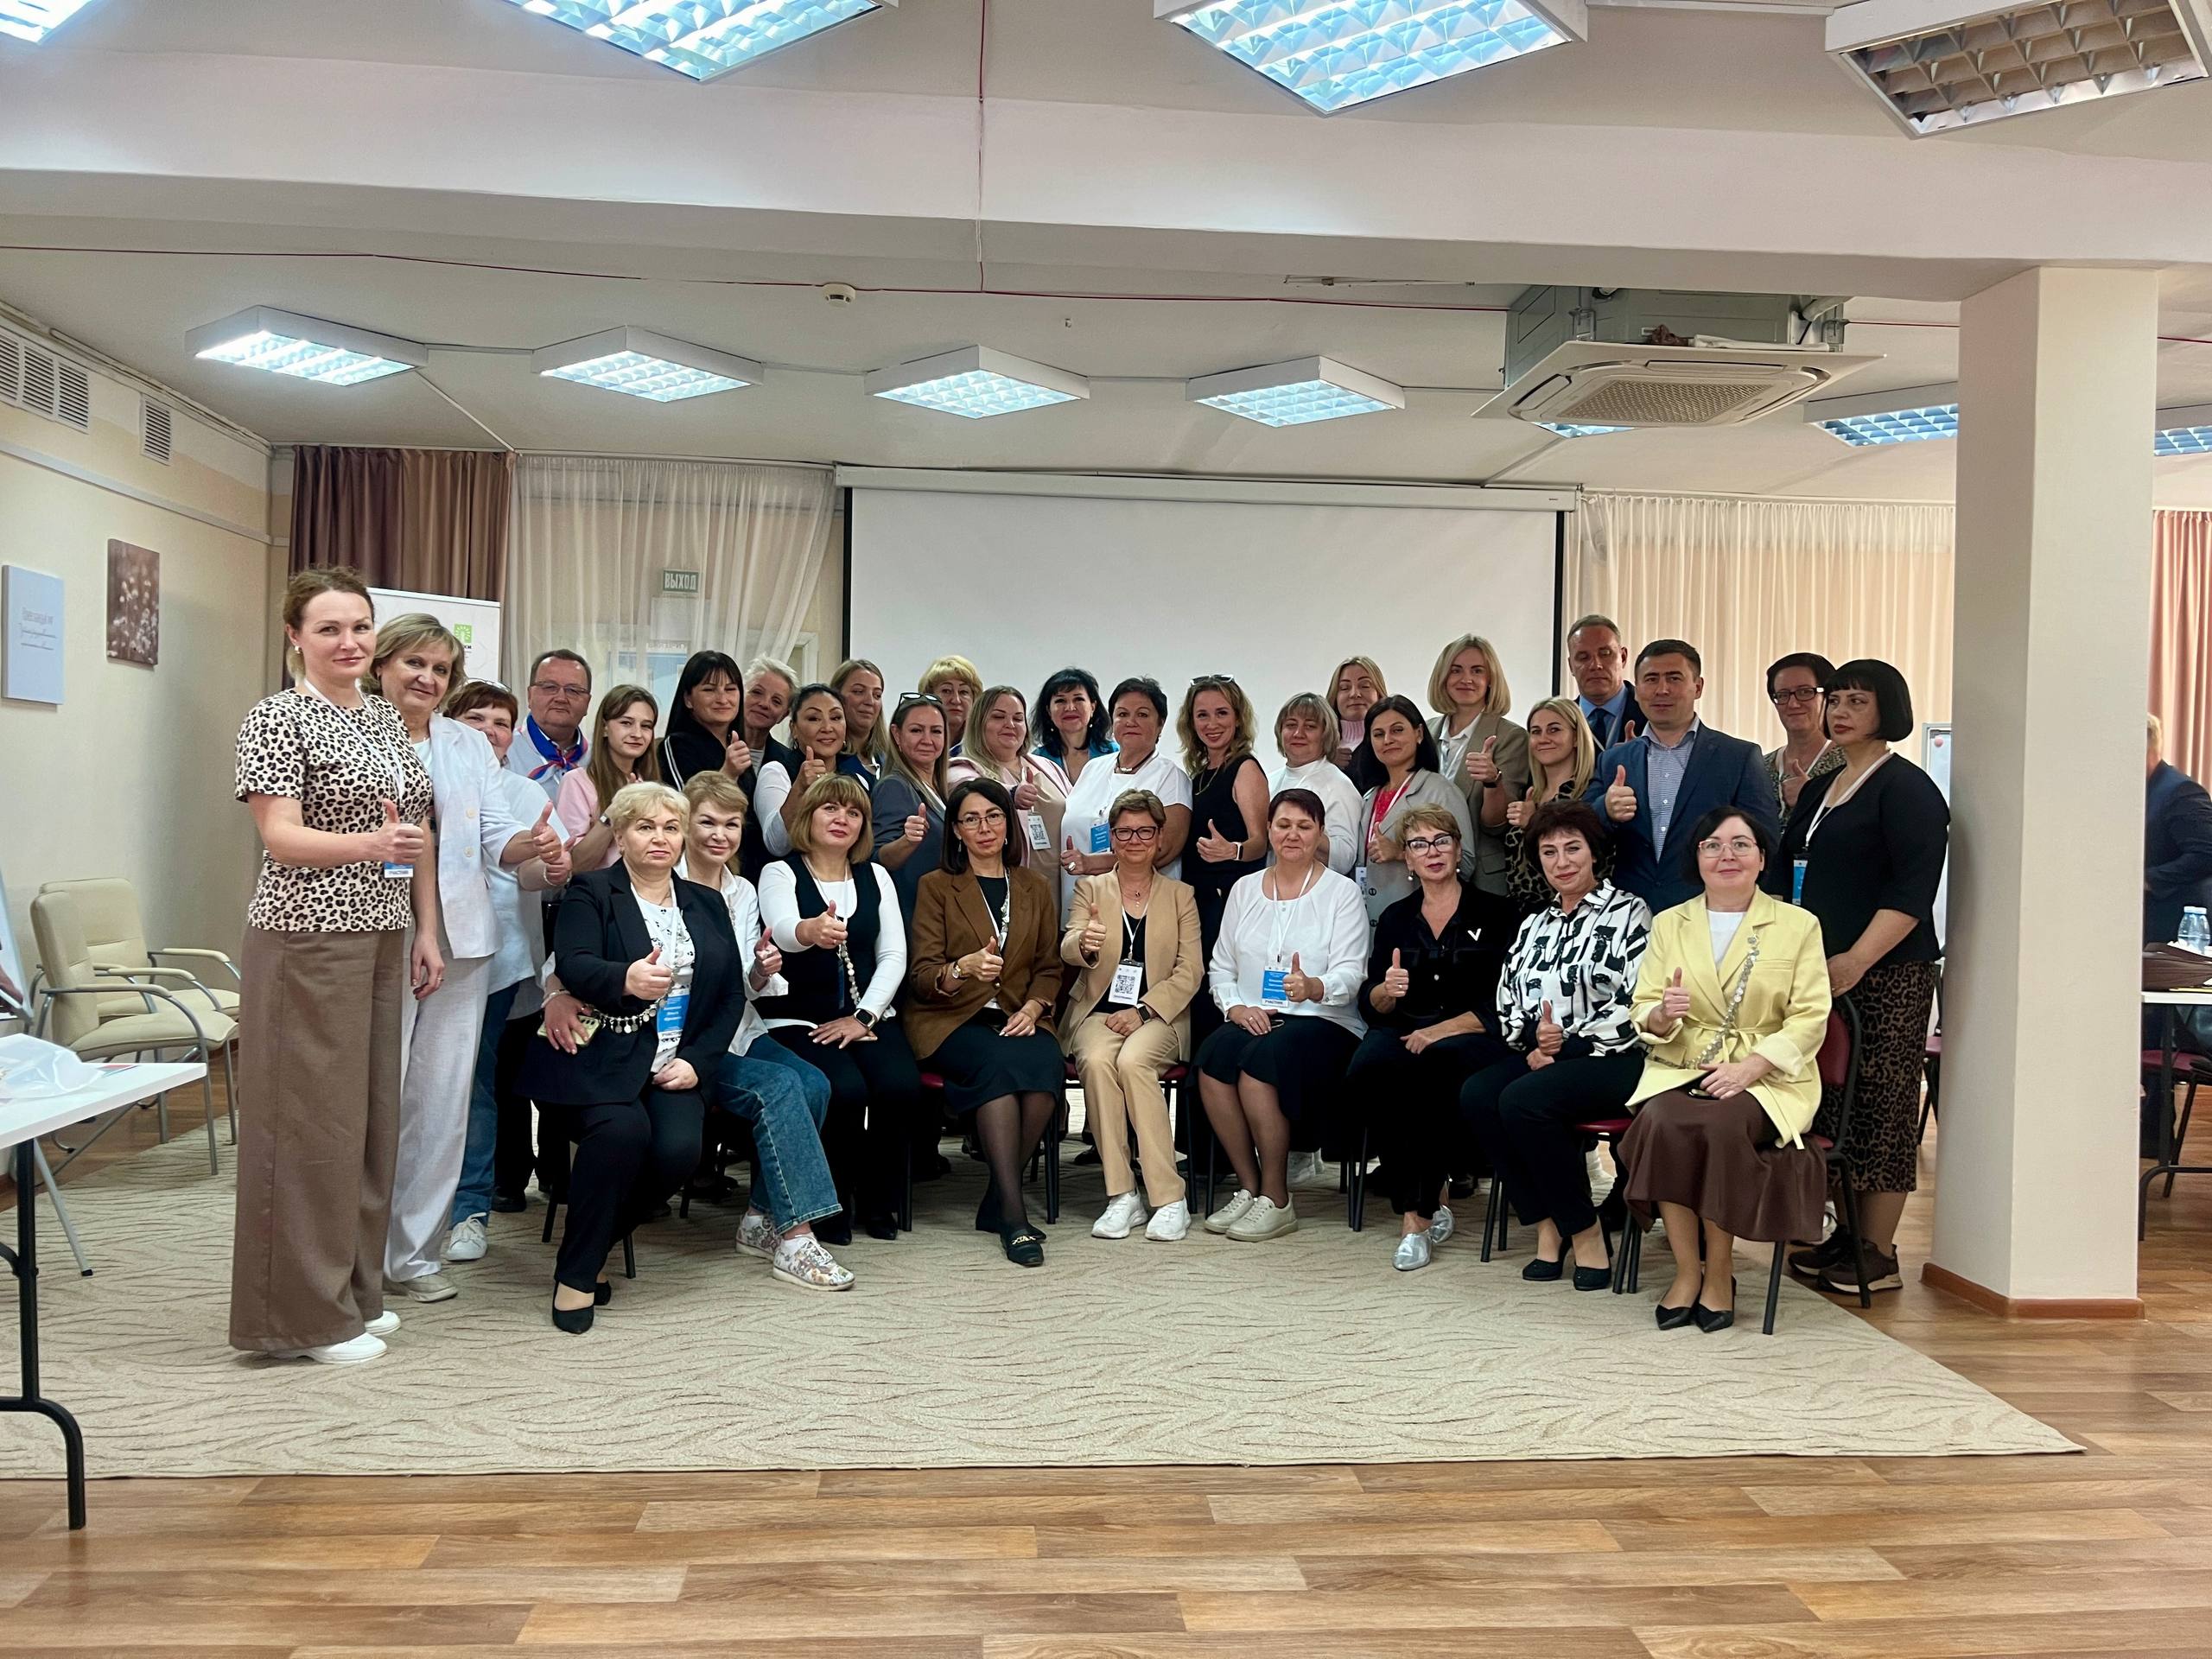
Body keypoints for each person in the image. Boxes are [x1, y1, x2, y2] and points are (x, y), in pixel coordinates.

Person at [230, 567, 440, 1365]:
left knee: (368, 1124)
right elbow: (281, 837)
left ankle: (353, 1292)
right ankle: (302, 1318)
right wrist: (368, 845)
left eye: (359, 626)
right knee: (310, 1129)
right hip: (306, 938)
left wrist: (425, 927)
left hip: (381, 933)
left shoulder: (382, 715)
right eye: (328, 629)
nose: (349, 642)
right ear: (295, 637)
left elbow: (410, 831)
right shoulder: (278, 718)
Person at [369, 616, 564, 1304]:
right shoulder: (357, 730)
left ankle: (413, 1256)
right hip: (379, 934)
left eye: (440, 669)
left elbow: (495, 835)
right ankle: (358, 1251)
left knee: (443, 1101)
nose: (427, 678)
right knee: (378, 1095)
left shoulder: (465, 743)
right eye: (413, 663)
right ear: (381, 665)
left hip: (464, 942)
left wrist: (534, 845)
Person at [518, 784, 743, 1333]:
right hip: (599, 1058)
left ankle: (592, 1240)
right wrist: (624, 978)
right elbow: (573, 962)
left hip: (674, 1064)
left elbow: (729, 994)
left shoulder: (707, 901)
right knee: (621, 1135)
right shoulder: (591, 890)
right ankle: (578, 1274)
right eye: (645, 827)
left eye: (670, 827)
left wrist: (699, 1061)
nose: (659, 838)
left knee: (680, 1150)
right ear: (620, 835)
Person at [1768, 660, 1948, 1298]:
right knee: (1837, 1102)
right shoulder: (1823, 785)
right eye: (1836, 699)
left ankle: (1879, 1250)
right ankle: (1846, 1235)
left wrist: (1857, 960)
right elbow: (1787, 869)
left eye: (1857, 701)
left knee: (1882, 1104)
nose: (1840, 712)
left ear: (1887, 710)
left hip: (1887, 972)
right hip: (1821, 970)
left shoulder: (1907, 789)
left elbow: (1911, 892)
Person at [1618, 806, 1831, 1332]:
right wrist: (1662, 1014)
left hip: (1768, 1074)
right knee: (1661, 1122)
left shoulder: (1798, 925)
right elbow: (1643, 1008)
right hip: (1683, 1065)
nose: (1726, 855)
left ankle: (1719, 1271)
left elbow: (1811, 1016)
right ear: (1697, 859)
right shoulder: (1670, 922)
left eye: (1740, 844)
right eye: (1712, 845)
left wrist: (1751, 1068)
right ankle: (1686, 1270)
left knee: (1718, 1125)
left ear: (1761, 858)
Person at [1461, 800, 1652, 1289]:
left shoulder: (1630, 913)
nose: (1562, 862)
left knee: (1524, 1100)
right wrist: (1531, 1039)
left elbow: (1635, 1002)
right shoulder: (1534, 924)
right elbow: (1508, 998)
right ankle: (1548, 1223)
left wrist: (1564, 1047)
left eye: (1573, 848)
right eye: (1549, 852)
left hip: (1616, 1058)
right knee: (1479, 1094)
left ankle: (1585, 1232)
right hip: (1546, 1056)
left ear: (1594, 854)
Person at [673, 772, 852, 1292]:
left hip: (740, 1026)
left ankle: (759, 1217)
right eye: (707, 822)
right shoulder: (664, 882)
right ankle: (796, 1239)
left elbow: (751, 986)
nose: (720, 835)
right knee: (780, 1086)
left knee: (815, 1083)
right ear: (684, 824)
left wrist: (760, 968)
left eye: (731, 825)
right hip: (686, 1039)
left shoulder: (743, 890)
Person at [906, 779, 1069, 1267]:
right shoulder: (936, 886)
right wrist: (962, 969)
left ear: (1008, 823)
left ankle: (996, 1199)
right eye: (971, 819)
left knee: (1044, 1067)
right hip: (951, 1019)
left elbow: (1049, 967)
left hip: (1019, 1015)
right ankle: (1013, 1217)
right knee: (999, 1070)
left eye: (994, 816)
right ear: (956, 831)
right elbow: (922, 976)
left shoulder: (1033, 886)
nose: (984, 827)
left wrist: (1035, 1007)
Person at [1348, 804, 1518, 1270]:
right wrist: (1385, 991)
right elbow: (1371, 1002)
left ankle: (1415, 1218)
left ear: (1459, 849)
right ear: (1407, 858)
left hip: (1474, 1033)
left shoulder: (1499, 913)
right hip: (1406, 1028)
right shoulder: (1396, 918)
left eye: (1442, 840)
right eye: (1419, 844)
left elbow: (1509, 999)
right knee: (1368, 1068)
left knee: (1430, 1068)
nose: (1432, 852)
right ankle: (1432, 1190)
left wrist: (1440, 1030)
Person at [1197, 788, 1370, 1242]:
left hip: (1325, 1020)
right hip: (1257, 1015)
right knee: (1213, 1060)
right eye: (1283, 825)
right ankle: (1249, 1187)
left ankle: (1277, 1198)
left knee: (1260, 1063)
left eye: (1304, 826)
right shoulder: (1244, 889)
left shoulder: (1342, 892)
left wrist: (1315, 986)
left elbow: (1352, 972)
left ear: (1320, 833)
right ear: (1269, 830)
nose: (1293, 835)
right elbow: (1221, 966)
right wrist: (1236, 1006)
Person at [756, 774, 918, 1241]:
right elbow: (782, 928)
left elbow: (894, 955)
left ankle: (879, 1201)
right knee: (844, 1089)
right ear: (808, 816)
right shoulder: (780, 872)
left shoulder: (876, 875)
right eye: (830, 808)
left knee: (899, 1085)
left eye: (853, 812)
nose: (841, 819)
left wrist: (864, 1017)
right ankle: (829, 1205)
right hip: (798, 1017)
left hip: (867, 1015)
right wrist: (809, 931)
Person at [441, 680, 570, 1266]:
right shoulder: (427, 775)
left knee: (477, 1083)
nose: (490, 731)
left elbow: (531, 873)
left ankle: (469, 1208)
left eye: (500, 722)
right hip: (424, 948)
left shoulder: (522, 792)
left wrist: (553, 864)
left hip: (498, 958)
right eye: (477, 719)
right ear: (450, 723)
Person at [1062, 789, 1205, 1242]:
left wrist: (1143, 1010)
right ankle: (1122, 1196)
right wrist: (1084, 944)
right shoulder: (1091, 888)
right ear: (1112, 837)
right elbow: (1069, 944)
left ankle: (1169, 1198)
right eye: (1124, 832)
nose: (1134, 840)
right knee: (1097, 1060)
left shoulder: (1181, 895)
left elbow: (1191, 970)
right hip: (1099, 1012)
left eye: (1145, 831)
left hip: (1159, 1015)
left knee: (1133, 1061)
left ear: (1160, 836)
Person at [1589, 639, 1780, 912]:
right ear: (1637, 690)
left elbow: (1765, 842)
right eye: (1651, 679)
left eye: (1674, 678)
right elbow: (1581, 830)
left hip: (1711, 909)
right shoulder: (1614, 759)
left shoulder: (1738, 757)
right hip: (1630, 912)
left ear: (1698, 687)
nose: (1662, 689)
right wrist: (1606, 809)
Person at [1180, 676, 1271, 1052]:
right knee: (1199, 991)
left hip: (1229, 902)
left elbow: (1261, 842)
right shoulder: (1199, 775)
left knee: (1220, 991)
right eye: (1202, 715)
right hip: (1198, 900)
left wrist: (1231, 851)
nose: (1212, 723)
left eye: (1222, 713)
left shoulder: (1245, 768)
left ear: (1238, 718)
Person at [1060, 677, 1193, 911]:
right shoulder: (1092, 768)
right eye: (1122, 714)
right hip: (1078, 901)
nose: (1131, 721)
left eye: (1142, 714)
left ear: (1160, 724)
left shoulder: (1170, 777)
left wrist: (1092, 863)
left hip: (1139, 909)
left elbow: (1164, 851)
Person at [1353, 694, 1476, 925]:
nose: (1388, 739)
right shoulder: (1369, 797)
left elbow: (1466, 864)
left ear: (1419, 733)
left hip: (1420, 925)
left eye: (1397, 730)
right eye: (1378, 734)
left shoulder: (1441, 791)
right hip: (1368, 925)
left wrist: (1403, 854)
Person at [1428, 633, 1531, 898]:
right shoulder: (1425, 732)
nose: (1466, 679)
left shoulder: (1511, 737)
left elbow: (1497, 825)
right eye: (1456, 670)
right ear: (1442, 677)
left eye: (1477, 671)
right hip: (1424, 875)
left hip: (1480, 882)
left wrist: (1492, 781)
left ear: (1491, 680)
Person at [952, 684, 1072, 880]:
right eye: (999, 717)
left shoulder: (1047, 766)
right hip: (1007, 884)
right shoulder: (962, 768)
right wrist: (1011, 793)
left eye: (1018, 718)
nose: (1010, 724)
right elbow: (972, 792)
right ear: (978, 723)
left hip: (1063, 882)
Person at [1502, 697, 1605, 914]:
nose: (1543, 739)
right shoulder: (1528, 794)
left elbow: (1588, 873)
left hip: (1574, 915)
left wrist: (1533, 825)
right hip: (1521, 919)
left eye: (1554, 730)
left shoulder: (1591, 796)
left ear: (1576, 737)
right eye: (1536, 732)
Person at [555, 685, 661, 872]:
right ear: (604, 728)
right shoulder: (577, 781)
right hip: (597, 888)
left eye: (646, 726)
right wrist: (614, 811)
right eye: (626, 723)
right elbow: (576, 864)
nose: (637, 734)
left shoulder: (652, 786)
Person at [754, 683, 861, 857]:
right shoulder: (776, 772)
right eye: (814, 718)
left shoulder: (857, 780)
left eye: (836, 718)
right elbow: (777, 845)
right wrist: (800, 788)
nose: (827, 727)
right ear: (794, 729)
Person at [871, 693, 951, 918]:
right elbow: (878, 858)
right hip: (910, 916)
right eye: (916, 730)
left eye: (936, 731)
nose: (927, 739)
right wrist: (907, 841)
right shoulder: (894, 786)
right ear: (897, 734)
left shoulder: (940, 790)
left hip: (939, 913)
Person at [1271, 692, 1363, 877]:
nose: (1298, 733)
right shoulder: (1269, 781)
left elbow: (1345, 858)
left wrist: (1302, 831)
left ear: (1325, 735)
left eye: (1310, 726)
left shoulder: (1339, 785)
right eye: (1291, 725)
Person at [2145, 713, 2212, 945]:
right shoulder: (2142, 791)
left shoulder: (2182, 792)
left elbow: (2206, 854)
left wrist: (2147, 880)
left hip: (2178, 929)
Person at [1763, 652, 1843, 823]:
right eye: (1783, 695)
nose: (1793, 704)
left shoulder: (1849, 764)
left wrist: (1811, 797)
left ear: (1829, 697)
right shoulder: (1760, 767)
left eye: (1805, 692)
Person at [658, 650, 753, 789]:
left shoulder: (735, 743)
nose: (722, 700)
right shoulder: (676, 744)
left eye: (730, 689)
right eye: (709, 690)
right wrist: (728, 774)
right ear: (688, 699)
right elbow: (682, 801)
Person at [509, 647, 594, 798]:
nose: (561, 698)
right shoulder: (503, 752)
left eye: (573, 690)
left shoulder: (598, 759)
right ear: (530, 696)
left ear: (587, 702)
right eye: (549, 687)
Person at [1565, 614, 1644, 749]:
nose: (1596, 665)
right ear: (1571, 666)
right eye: (1583, 657)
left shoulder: (1652, 713)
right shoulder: (1559, 722)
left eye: (1605, 654)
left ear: (1623, 657)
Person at [1033, 665, 1116, 789]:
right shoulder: (1038, 760)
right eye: (1061, 701)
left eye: (1078, 699)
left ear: (1092, 707)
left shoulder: (1114, 753)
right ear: (1049, 711)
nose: (1070, 708)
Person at [1328, 655, 1387, 785]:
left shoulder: (1391, 743)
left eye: (1365, 686)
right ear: (1335, 696)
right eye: (1345, 688)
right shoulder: (1320, 748)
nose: (1355, 694)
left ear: (1379, 694)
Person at [741, 656, 802, 777]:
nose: (764, 704)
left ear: (784, 715)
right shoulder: (711, 745)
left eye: (776, 701)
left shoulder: (790, 764)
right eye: (757, 692)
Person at [831, 657, 887, 781]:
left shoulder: (889, 761)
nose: (870, 701)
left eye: (877, 695)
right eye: (858, 691)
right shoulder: (829, 760)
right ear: (836, 697)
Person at [919, 654, 983, 756]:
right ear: (929, 696)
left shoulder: (984, 747)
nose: (956, 700)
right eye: (946, 691)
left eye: (963, 692)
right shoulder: (914, 741)